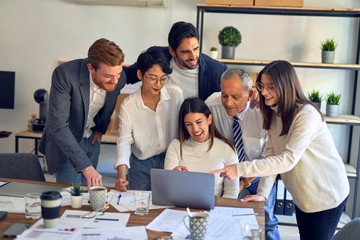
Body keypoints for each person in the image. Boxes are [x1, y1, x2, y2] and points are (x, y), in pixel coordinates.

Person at [211, 60, 349, 240]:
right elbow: (272, 154)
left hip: (326, 195)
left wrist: (238, 169)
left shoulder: (306, 114)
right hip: (304, 197)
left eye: (271, 87)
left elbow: (287, 160)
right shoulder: (273, 113)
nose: (264, 92)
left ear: (286, 86)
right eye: (262, 86)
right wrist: (262, 194)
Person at [39, 38, 126, 189]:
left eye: (118, 74)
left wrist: (101, 129)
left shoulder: (119, 76)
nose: (115, 81)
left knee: (90, 195)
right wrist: (85, 165)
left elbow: (145, 65)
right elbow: (58, 126)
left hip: (92, 140)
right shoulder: (65, 74)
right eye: (108, 77)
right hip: (68, 143)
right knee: (72, 196)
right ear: (91, 68)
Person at [205, 68, 280, 240]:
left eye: (236, 97)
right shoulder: (211, 105)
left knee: (266, 221)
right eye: (224, 95)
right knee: (221, 218)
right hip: (224, 173)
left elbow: (268, 158)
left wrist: (245, 181)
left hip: (258, 174)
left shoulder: (264, 113)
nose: (228, 103)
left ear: (251, 93)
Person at [114, 48, 183, 191]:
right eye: (152, 78)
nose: (158, 84)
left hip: (171, 160)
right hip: (141, 164)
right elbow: (124, 142)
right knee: (137, 206)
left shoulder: (175, 95)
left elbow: (183, 129)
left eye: (163, 78)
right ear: (140, 74)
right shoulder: (128, 106)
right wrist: (121, 176)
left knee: (169, 205)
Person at [124, 21, 228, 100]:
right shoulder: (157, 56)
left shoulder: (217, 71)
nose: (193, 56)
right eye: (185, 52)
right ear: (172, 51)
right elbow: (127, 75)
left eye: (196, 49)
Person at [165, 97, 239, 199]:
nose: (195, 129)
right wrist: (173, 175)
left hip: (214, 209)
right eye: (189, 124)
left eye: (199, 122)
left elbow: (231, 192)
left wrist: (218, 210)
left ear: (209, 119)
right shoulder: (176, 146)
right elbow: (166, 188)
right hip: (180, 207)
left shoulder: (227, 149)